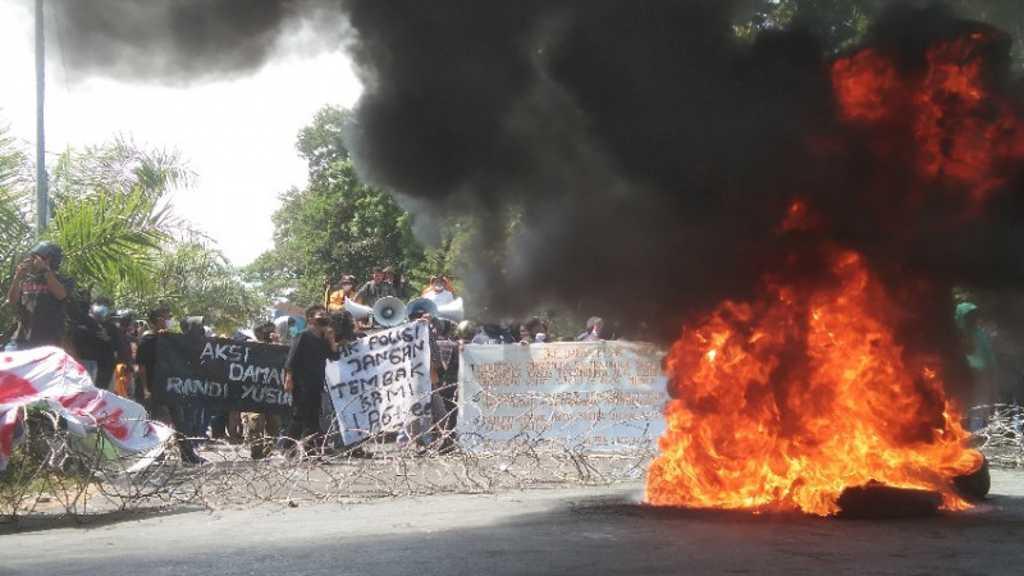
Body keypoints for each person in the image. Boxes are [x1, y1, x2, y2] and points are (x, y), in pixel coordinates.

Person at [136, 306, 205, 464]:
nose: (169, 320)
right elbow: (142, 367)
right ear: (158, 320)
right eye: (167, 317)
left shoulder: (169, 339)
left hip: (171, 387)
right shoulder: (147, 341)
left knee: (180, 422)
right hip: (153, 388)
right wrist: (146, 389)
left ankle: (188, 455)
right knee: (156, 423)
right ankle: (156, 456)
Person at [282, 305, 340, 457]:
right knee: (299, 416)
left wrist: (331, 339)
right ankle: (287, 449)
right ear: (311, 319)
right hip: (301, 383)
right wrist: (288, 378)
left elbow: (335, 356)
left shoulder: (323, 339)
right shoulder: (303, 336)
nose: (324, 317)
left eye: (325, 314)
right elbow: (291, 358)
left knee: (313, 419)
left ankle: (310, 452)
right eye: (320, 314)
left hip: (316, 383)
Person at [5, 242, 74, 351]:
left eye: (35, 258)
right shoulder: (25, 279)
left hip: (48, 342)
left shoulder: (64, 280)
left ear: (49, 259)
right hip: (21, 340)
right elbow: (12, 301)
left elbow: (61, 295)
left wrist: (45, 270)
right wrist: (17, 278)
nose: (31, 261)